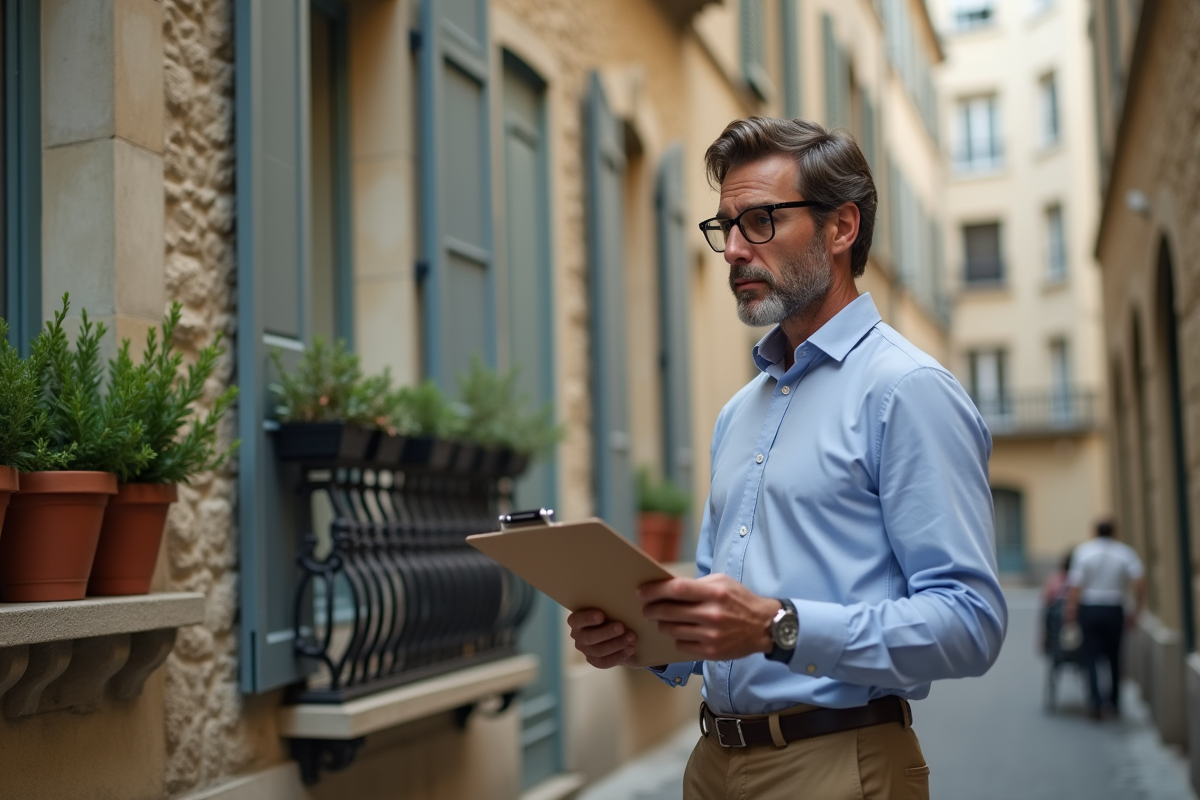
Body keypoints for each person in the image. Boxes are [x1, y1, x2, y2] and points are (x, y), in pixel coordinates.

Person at [567, 117, 1007, 800]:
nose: (733, 250)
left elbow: (971, 623)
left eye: (761, 221)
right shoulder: (738, 413)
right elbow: (722, 619)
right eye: (725, 227)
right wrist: (642, 641)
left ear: (841, 228)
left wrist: (779, 626)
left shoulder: (907, 391)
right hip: (712, 765)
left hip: (839, 765)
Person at [1064, 519, 1144, 719]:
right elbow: (1139, 580)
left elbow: (1075, 585)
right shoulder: (1124, 552)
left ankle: (1096, 703)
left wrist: (1071, 611)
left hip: (1090, 608)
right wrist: (1136, 608)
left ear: (1094, 532)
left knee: (1090, 657)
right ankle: (1114, 703)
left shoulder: (1084, 552)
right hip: (1114, 608)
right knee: (1114, 657)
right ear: (1115, 532)